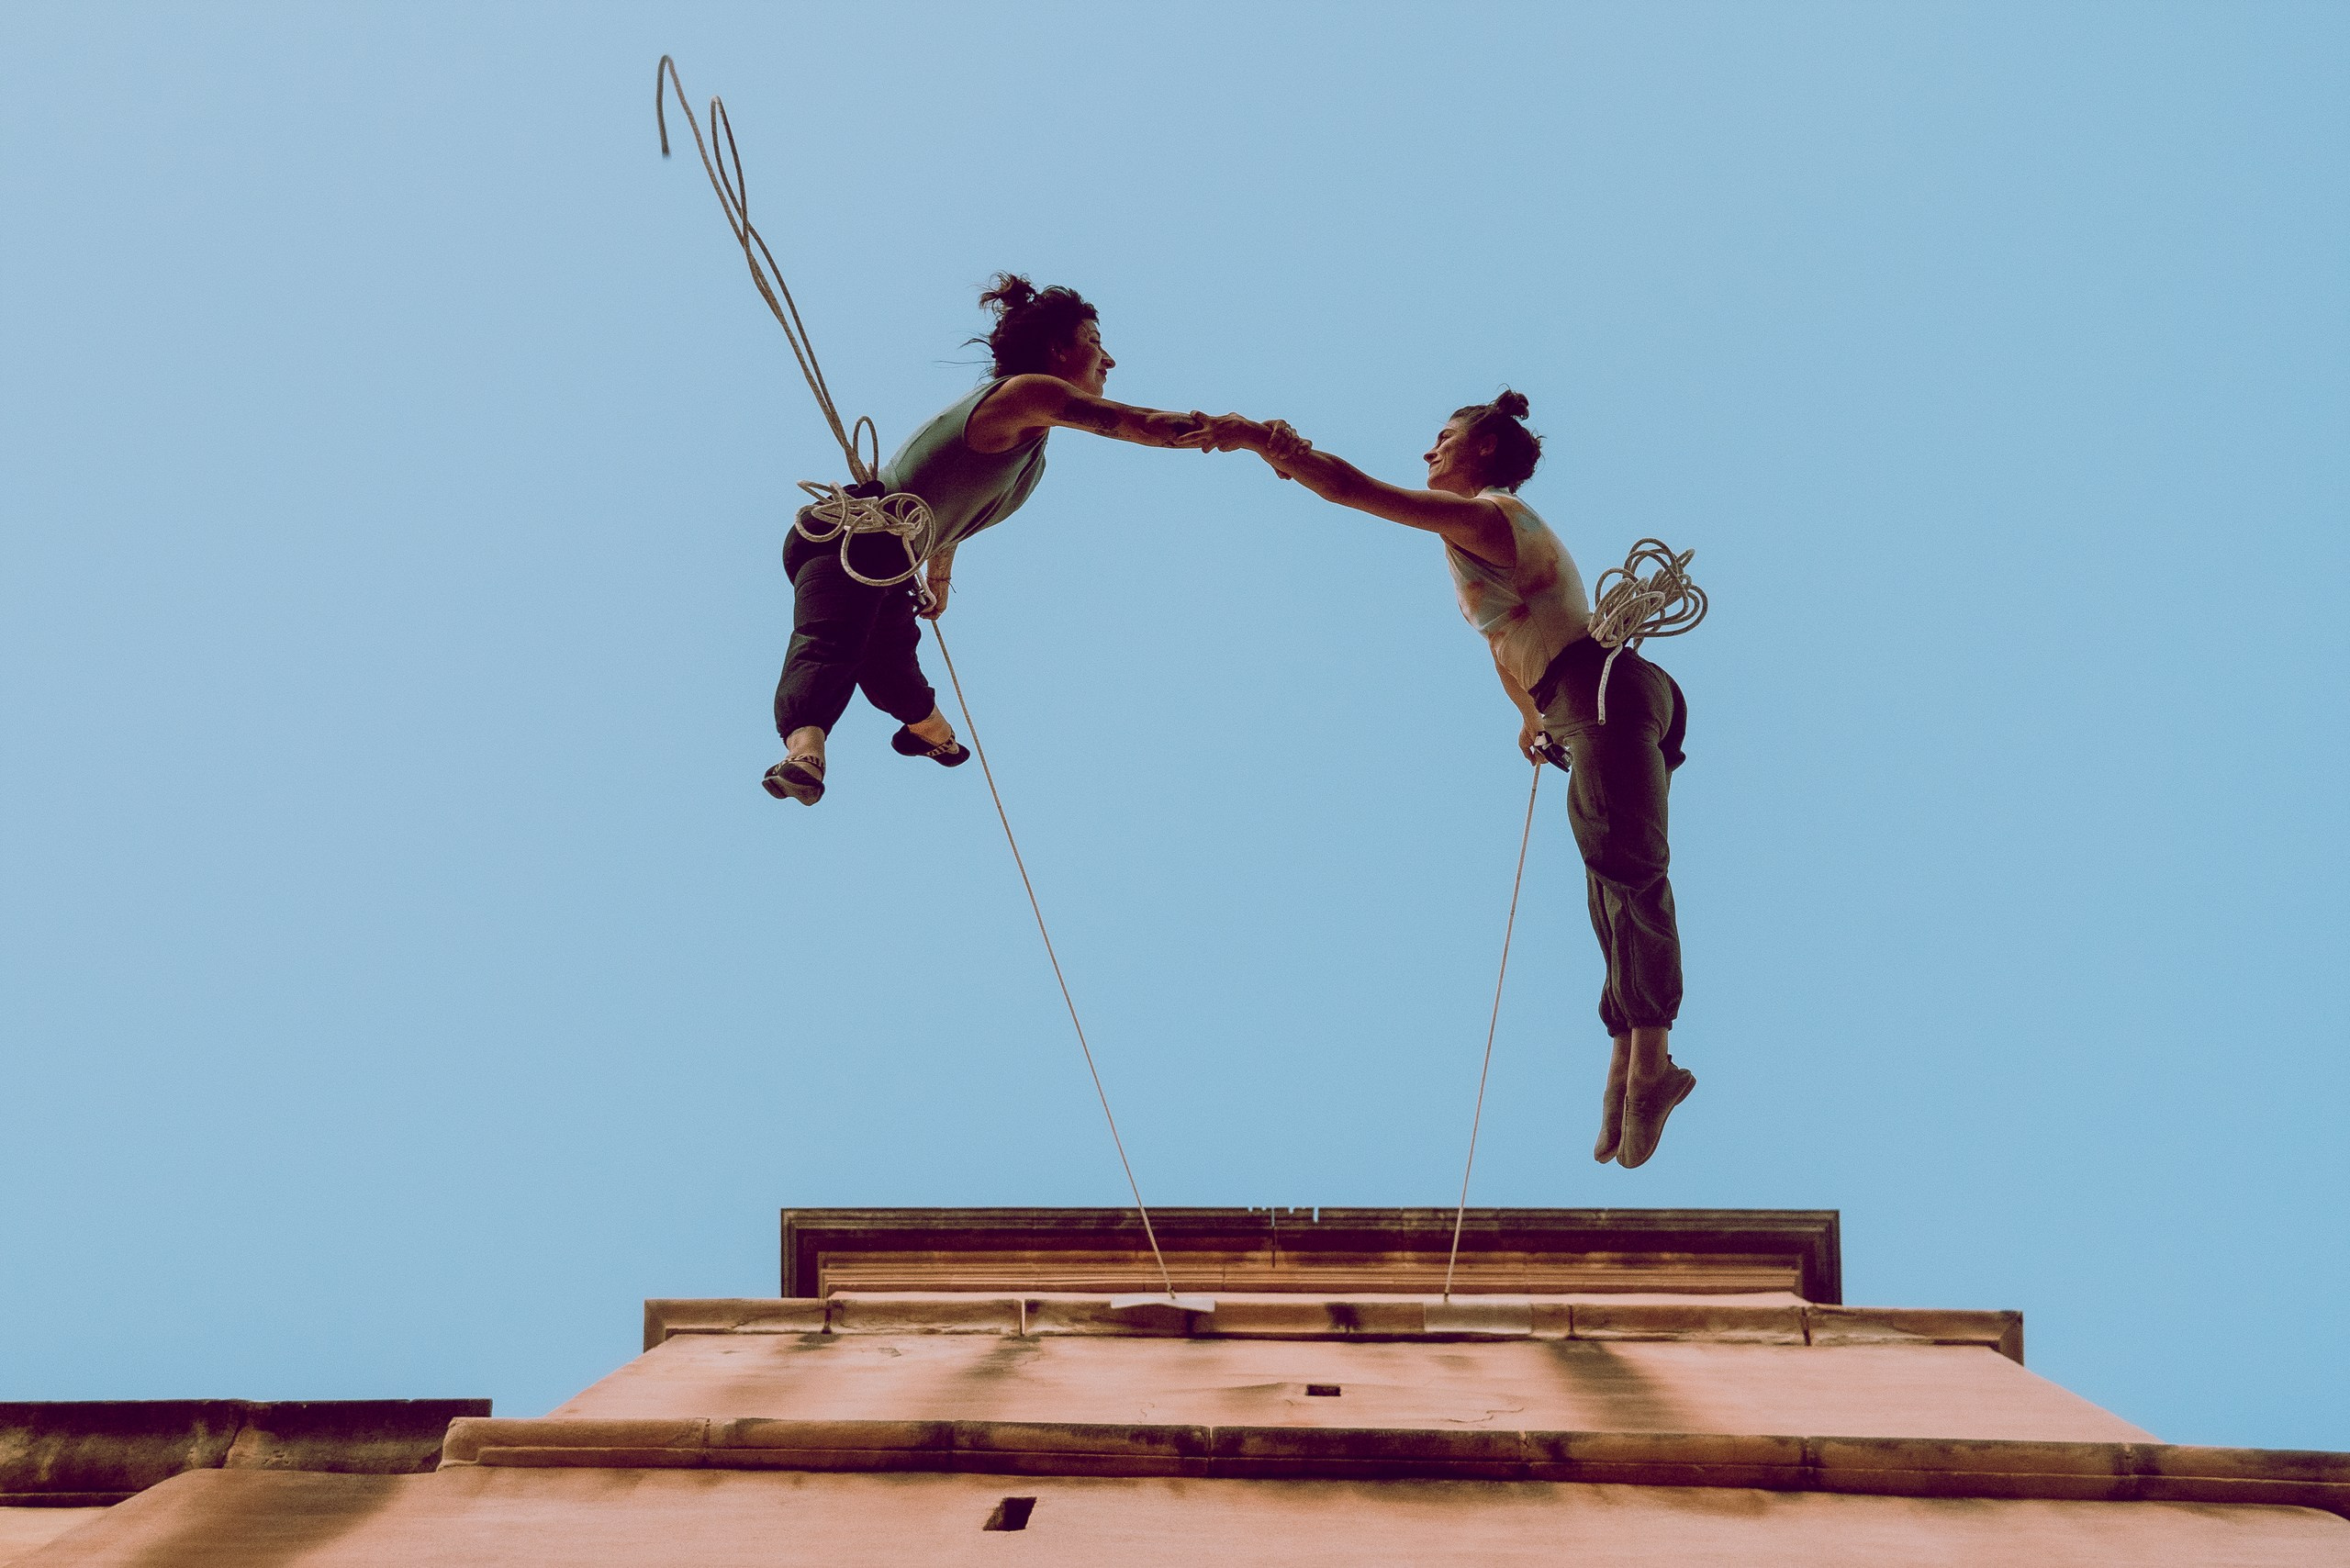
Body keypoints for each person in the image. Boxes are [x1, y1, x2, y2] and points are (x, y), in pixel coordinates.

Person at [1208, 394, 1695, 1168]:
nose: (1428, 452)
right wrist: (1530, 719)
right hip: (1581, 701)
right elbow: (1511, 647)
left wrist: (1266, 443)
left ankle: (1652, 1062)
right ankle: (1626, 1066)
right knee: (1607, 882)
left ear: (1485, 451)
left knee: (1627, 865)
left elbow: (1352, 490)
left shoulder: (1490, 518)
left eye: (1444, 439)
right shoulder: (1478, 539)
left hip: (1601, 688)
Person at [765, 275, 1214, 804]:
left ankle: (929, 732)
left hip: (892, 557)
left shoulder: (1029, 443)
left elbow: (948, 498)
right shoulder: (1026, 394)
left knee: (889, 666)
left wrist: (939, 577)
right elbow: (1140, 424)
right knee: (832, 642)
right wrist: (1245, 434)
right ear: (1057, 349)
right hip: (849, 536)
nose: (1108, 359)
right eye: (1094, 342)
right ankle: (804, 754)